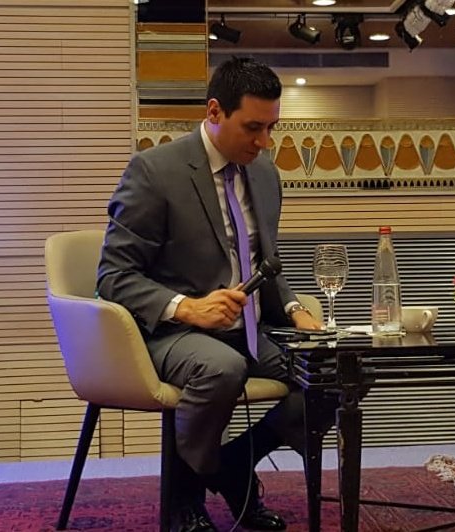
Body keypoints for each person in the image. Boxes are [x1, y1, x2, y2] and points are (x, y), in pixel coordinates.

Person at [98, 57, 330, 532]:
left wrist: (291, 307)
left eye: (271, 128)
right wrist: (187, 307)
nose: (265, 142)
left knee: (333, 372)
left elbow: (264, 261)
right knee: (221, 368)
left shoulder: (264, 174)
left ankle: (233, 463)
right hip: (173, 332)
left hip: (250, 328)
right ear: (214, 111)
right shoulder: (154, 171)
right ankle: (185, 498)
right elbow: (113, 275)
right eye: (253, 128)